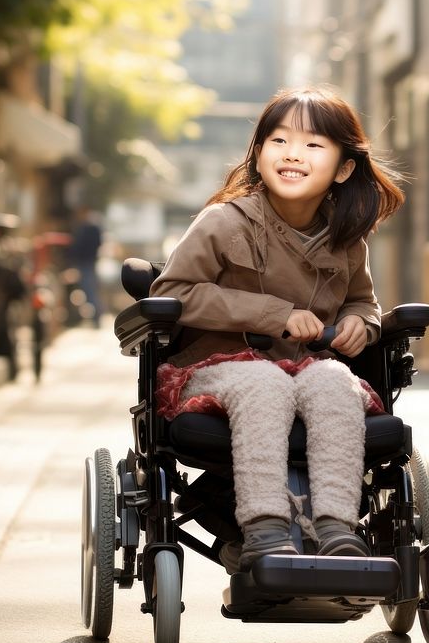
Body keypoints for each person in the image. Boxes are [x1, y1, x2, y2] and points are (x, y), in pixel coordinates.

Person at [150, 86, 404, 572]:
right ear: (259, 152)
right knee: (263, 382)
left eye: (313, 145)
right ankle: (264, 530)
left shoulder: (347, 242)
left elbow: (363, 301)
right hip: (217, 368)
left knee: (335, 381)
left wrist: (359, 323)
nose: (293, 154)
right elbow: (174, 293)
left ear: (344, 167)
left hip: (307, 366)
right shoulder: (223, 223)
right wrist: (274, 314)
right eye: (279, 140)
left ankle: (337, 530)